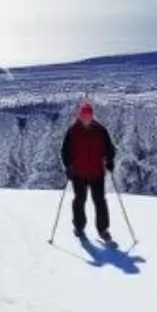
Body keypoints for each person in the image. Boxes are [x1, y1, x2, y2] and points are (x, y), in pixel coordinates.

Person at [60, 103, 117, 242]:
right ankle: (79, 227)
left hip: (96, 172)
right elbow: (65, 151)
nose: (86, 119)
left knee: (100, 202)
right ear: (79, 116)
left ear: (92, 116)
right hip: (79, 173)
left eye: (89, 116)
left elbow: (109, 148)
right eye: (84, 116)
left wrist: (110, 160)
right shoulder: (73, 131)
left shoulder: (100, 130)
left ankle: (103, 229)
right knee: (80, 200)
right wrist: (68, 166)